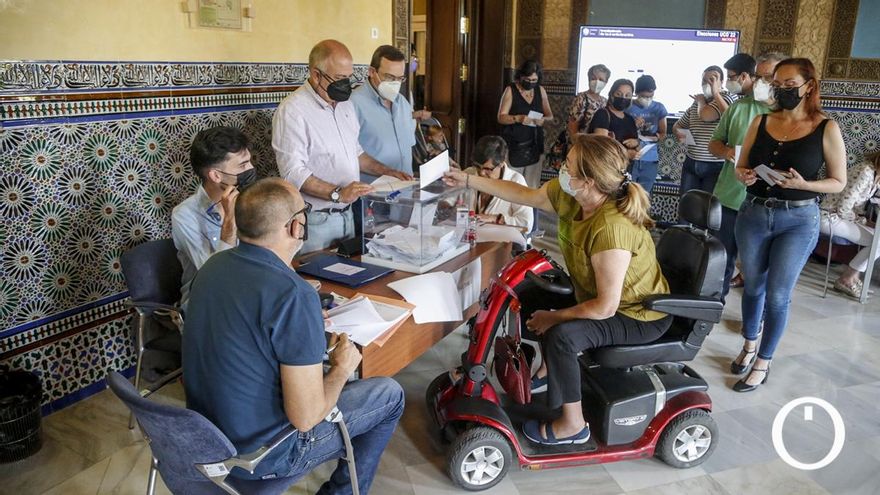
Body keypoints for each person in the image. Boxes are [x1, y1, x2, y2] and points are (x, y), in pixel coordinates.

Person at [443, 134, 670, 445]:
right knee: (528, 295)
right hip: (596, 297)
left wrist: (554, 318)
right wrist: (468, 180)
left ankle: (573, 425)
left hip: (637, 315)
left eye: (569, 165)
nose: (562, 168)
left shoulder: (612, 228)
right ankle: (547, 372)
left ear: (588, 181)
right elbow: (523, 194)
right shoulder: (574, 196)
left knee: (562, 336)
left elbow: (606, 307)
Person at [183, 178, 405, 489]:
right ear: (295, 226)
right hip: (264, 453)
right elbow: (306, 418)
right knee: (390, 394)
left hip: (204, 436)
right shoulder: (294, 294)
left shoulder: (213, 266)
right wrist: (341, 369)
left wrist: (304, 324)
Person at [731, 58, 846, 392]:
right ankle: (749, 344)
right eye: (777, 84)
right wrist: (744, 175)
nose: (782, 90)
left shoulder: (826, 127)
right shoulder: (761, 120)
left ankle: (763, 361)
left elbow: (838, 181)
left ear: (808, 86)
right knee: (753, 285)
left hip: (798, 219)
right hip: (754, 213)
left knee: (778, 295)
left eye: (790, 85)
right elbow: (741, 165)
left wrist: (805, 184)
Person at [272, 39, 412, 254]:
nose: (345, 85)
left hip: (348, 215)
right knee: (318, 272)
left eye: (348, 77)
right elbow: (293, 173)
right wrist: (337, 193)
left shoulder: (345, 105)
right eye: (339, 78)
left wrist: (387, 171)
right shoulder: (293, 111)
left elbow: (357, 153)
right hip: (316, 220)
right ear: (316, 75)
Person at [708, 52, 785, 299]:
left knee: (760, 268)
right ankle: (713, 308)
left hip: (769, 204)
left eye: (769, 77)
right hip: (730, 198)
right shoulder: (738, 108)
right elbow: (714, 143)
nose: (762, 82)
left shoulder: (790, 115)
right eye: (758, 76)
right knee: (721, 260)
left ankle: (756, 315)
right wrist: (727, 151)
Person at [171, 126, 256, 305]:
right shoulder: (185, 215)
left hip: (250, 292)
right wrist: (230, 222)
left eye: (249, 162)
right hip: (209, 303)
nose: (251, 168)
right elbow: (215, 277)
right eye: (243, 165)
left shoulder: (249, 199)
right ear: (216, 175)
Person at [351, 45, 432, 182]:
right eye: (389, 77)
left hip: (405, 187)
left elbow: (408, 145)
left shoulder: (402, 103)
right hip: (373, 190)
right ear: (372, 72)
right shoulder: (353, 104)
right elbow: (348, 154)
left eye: (400, 78)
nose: (395, 83)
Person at [819, 151, 880, 297]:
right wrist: (865, 222)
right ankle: (848, 279)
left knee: (878, 238)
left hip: (843, 218)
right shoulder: (865, 172)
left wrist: (866, 222)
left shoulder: (876, 176)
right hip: (829, 217)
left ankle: (852, 277)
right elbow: (843, 208)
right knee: (877, 241)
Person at [673, 65, 736, 196]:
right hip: (691, 162)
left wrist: (702, 100)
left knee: (708, 205)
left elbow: (705, 115)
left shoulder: (726, 97)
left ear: (721, 82)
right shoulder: (697, 103)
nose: (707, 84)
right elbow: (678, 125)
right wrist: (681, 135)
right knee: (686, 202)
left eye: (712, 80)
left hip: (714, 165)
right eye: (704, 81)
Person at [497, 59, 554, 188]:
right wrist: (517, 118)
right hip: (514, 146)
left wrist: (543, 120)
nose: (531, 83)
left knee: (532, 185)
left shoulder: (540, 90)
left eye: (534, 80)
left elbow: (550, 116)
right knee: (511, 184)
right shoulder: (510, 90)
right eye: (528, 80)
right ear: (521, 76)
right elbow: (501, 117)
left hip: (535, 144)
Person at [463, 136, 534, 230]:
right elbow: (449, 202)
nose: (481, 173)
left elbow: (526, 224)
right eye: (477, 166)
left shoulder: (516, 180)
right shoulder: (469, 174)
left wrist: (495, 218)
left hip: (502, 238)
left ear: (501, 163)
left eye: (487, 169)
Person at [625, 75, 668, 195]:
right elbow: (621, 131)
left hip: (650, 159)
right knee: (628, 194)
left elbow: (663, 133)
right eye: (644, 96)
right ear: (637, 93)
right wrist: (633, 125)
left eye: (650, 96)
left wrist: (656, 137)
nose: (647, 99)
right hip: (631, 158)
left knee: (644, 196)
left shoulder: (659, 108)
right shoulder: (627, 107)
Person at [588, 79, 640, 161]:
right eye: (619, 94)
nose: (623, 98)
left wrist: (636, 143)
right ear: (612, 95)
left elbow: (636, 144)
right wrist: (626, 154)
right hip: (606, 166)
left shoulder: (630, 119)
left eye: (627, 95)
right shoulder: (602, 114)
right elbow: (601, 146)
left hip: (626, 167)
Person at [568, 64, 611, 138]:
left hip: (597, 142)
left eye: (601, 80)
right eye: (593, 78)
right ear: (589, 79)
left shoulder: (605, 102)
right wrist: (576, 141)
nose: (597, 82)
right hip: (580, 142)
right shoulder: (581, 98)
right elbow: (572, 125)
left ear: (606, 82)